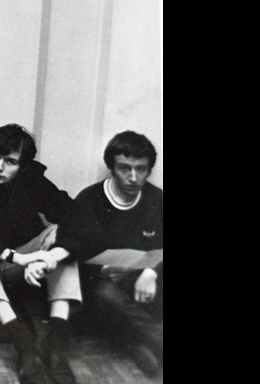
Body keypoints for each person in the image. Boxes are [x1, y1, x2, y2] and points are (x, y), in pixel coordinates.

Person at [0, 124, 97, 384]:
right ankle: (23, 345)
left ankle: (55, 342)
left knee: (61, 234)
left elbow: (76, 215)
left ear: (22, 167)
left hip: (21, 266)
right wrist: (17, 257)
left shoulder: (31, 177)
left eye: (10, 162)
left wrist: (52, 256)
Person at [74, 131, 162, 376]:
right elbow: (74, 251)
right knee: (106, 294)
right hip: (100, 284)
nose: (133, 177)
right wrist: (103, 269)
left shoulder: (156, 199)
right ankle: (154, 340)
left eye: (141, 169)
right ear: (112, 167)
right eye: (125, 168)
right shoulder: (90, 199)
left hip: (141, 280)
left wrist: (150, 273)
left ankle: (136, 343)